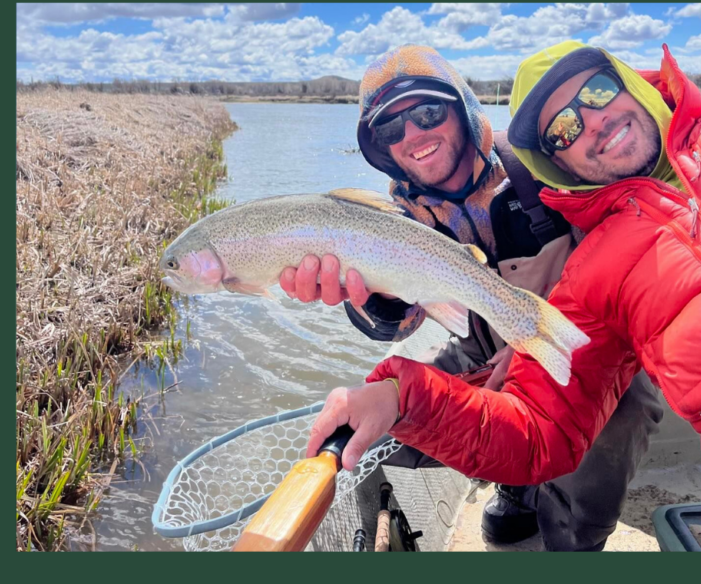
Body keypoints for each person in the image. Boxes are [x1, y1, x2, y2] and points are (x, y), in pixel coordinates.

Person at [282, 44, 663, 551]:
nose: (413, 134)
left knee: (625, 409)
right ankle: (516, 488)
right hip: (478, 348)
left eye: (427, 112)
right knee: (376, 429)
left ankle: (575, 535)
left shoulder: (541, 166)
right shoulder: (398, 216)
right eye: (391, 129)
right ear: (380, 148)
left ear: (463, 109)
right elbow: (400, 325)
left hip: (587, 342)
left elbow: (624, 258)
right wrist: (370, 295)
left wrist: (532, 351)